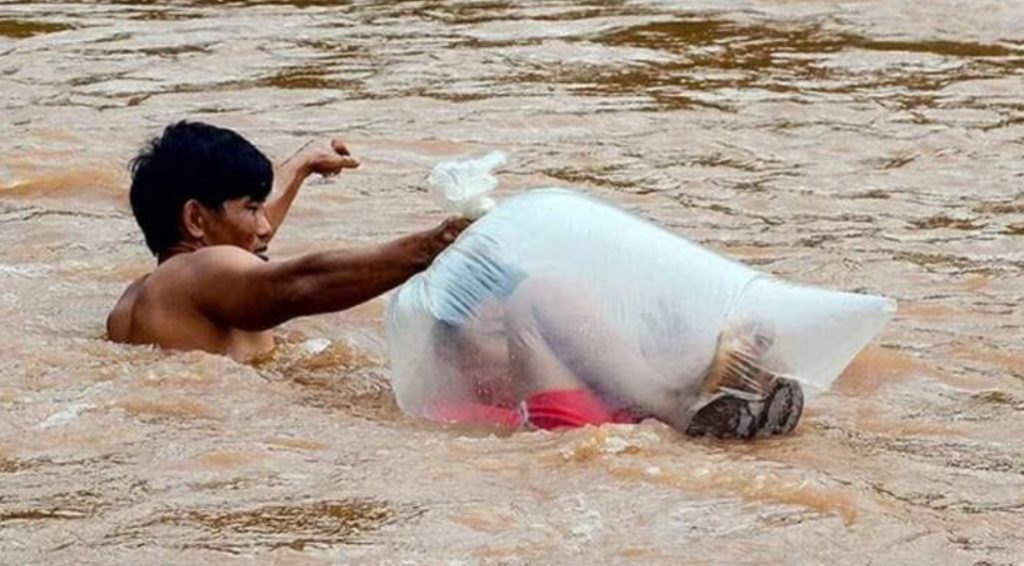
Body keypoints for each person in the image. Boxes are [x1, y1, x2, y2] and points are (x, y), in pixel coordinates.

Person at [107, 121, 469, 361]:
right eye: (252, 208)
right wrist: (436, 243)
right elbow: (298, 283)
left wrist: (304, 163)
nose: (265, 227)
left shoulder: (146, 293)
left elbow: (243, 244)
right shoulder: (195, 273)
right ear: (196, 219)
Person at [425, 273, 804, 439]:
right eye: (501, 335)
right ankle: (679, 404)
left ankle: (727, 390)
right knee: (534, 295)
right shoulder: (454, 414)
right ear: (460, 361)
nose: (516, 350)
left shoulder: (601, 372)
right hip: (565, 428)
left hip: (630, 420)